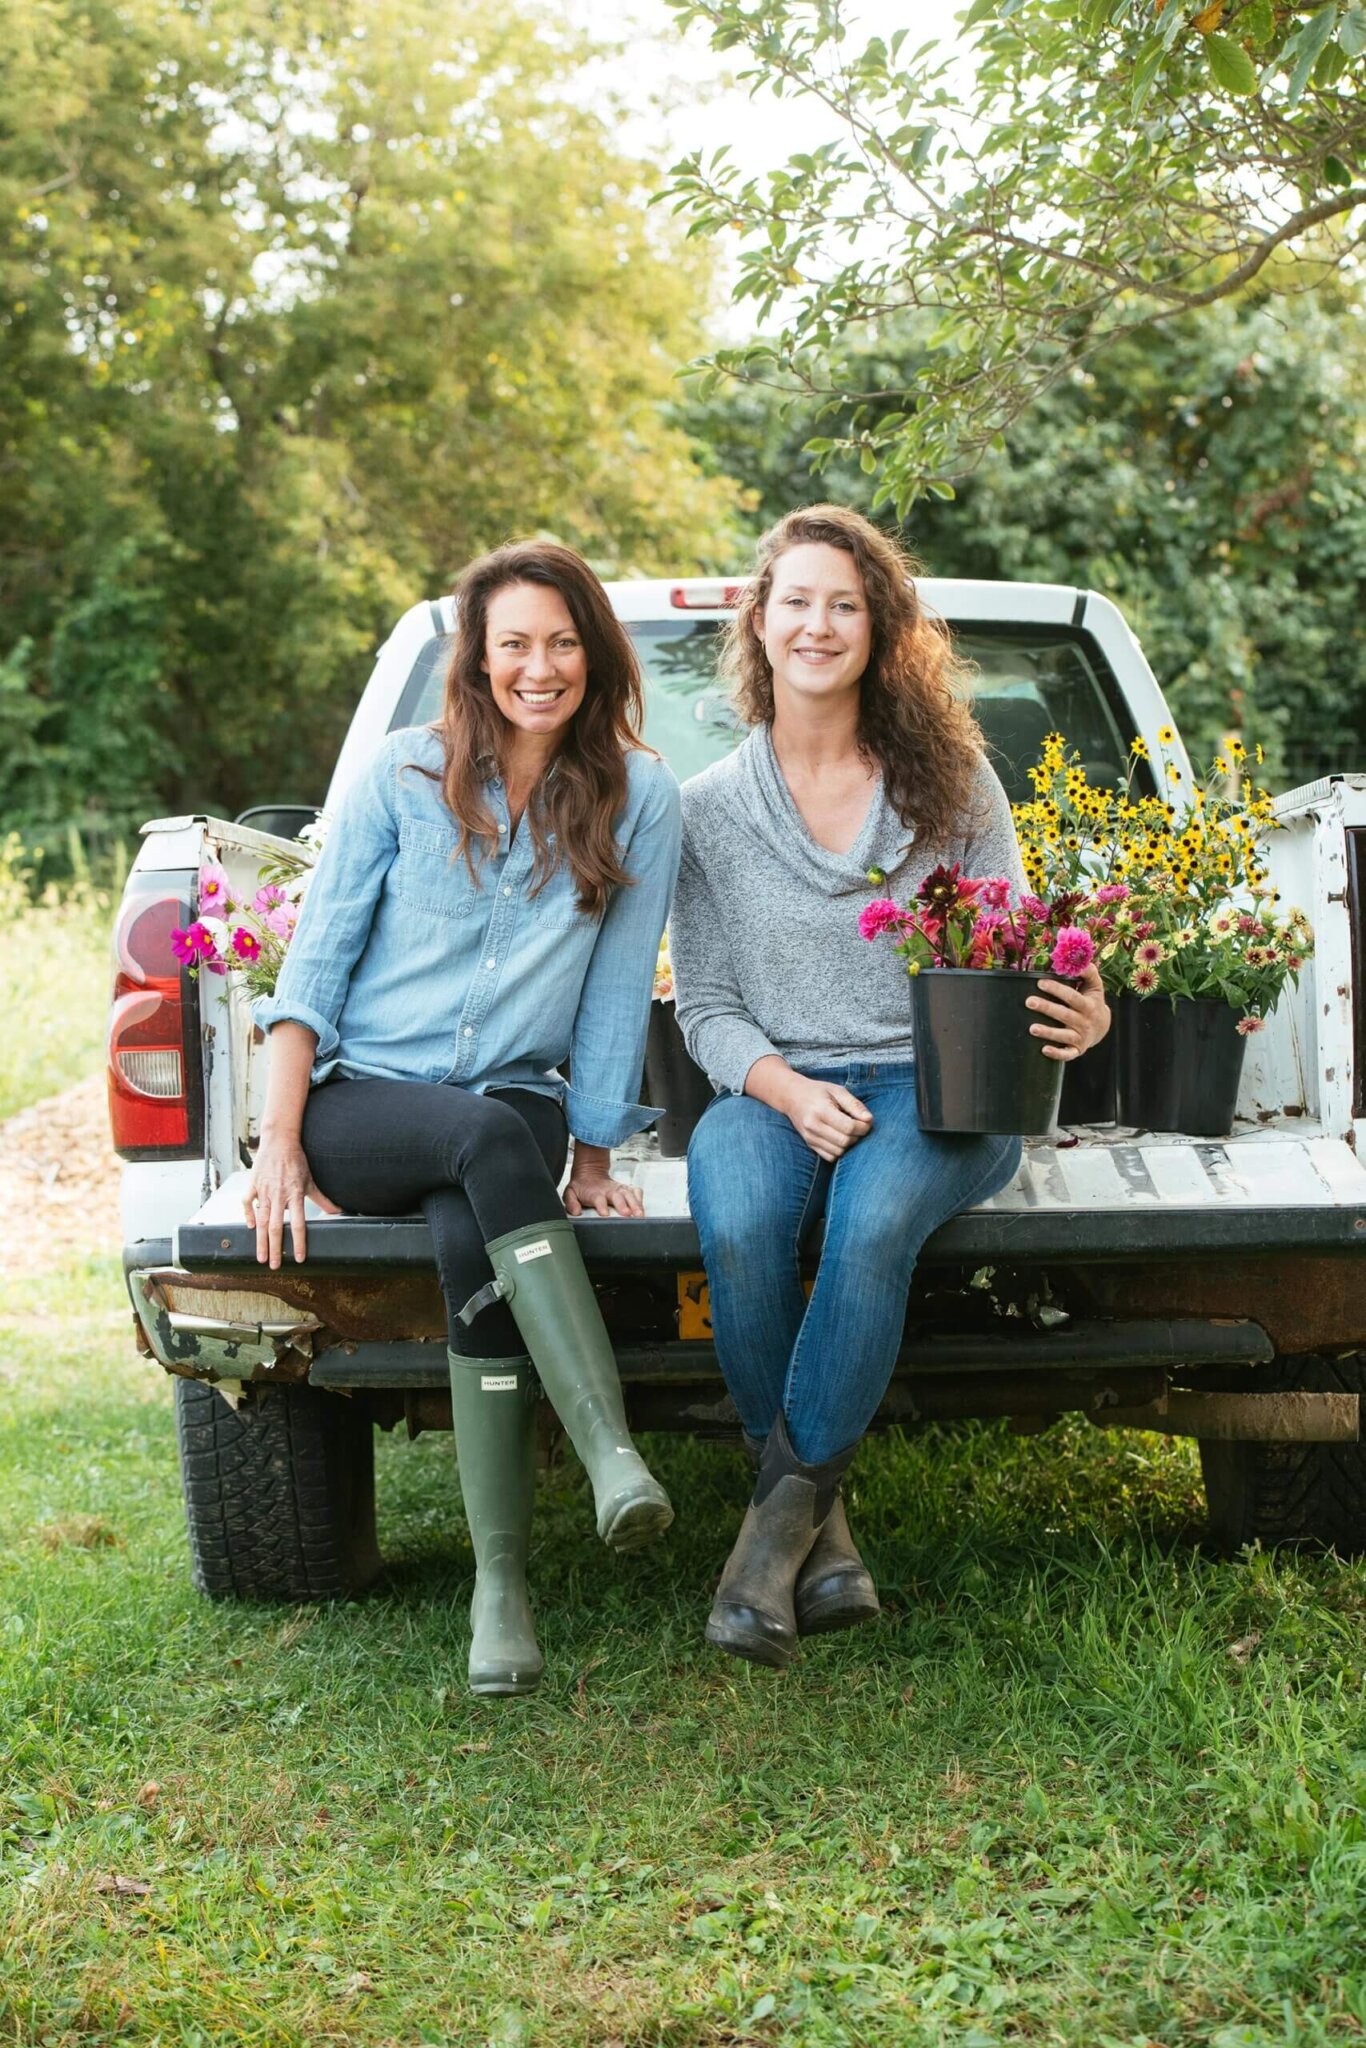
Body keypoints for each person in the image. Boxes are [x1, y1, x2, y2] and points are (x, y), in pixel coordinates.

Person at [672, 506, 1110, 1669]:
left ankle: (769, 1538)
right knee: (740, 1215)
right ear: (759, 622)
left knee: (868, 1221)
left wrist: (1089, 1002)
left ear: (879, 628)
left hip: (942, 1089)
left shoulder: (951, 782)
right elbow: (703, 1002)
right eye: (796, 601)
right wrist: (779, 1088)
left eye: (845, 603)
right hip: (773, 1089)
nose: (817, 624)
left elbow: (1021, 948)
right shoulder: (708, 809)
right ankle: (823, 1531)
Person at [246, 541, 681, 1697]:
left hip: (516, 1103)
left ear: (593, 651)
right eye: (513, 645)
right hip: (366, 1104)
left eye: (561, 641)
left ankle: (501, 1589)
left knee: (468, 1216)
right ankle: (606, 1450)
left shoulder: (642, 798)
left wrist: (591, 1151)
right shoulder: (402, 773)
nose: (539, 666)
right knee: (480, 1145)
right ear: (478, 661)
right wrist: (280, 1139)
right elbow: (316, 968)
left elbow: (613, 986)